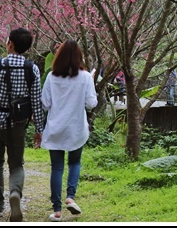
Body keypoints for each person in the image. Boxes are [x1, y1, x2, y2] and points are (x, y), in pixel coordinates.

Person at [0, 28, 45, 222]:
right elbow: (36, 102)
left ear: (10, 43)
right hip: (18, 124)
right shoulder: (32, 69)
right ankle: (15, 193)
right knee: (16, 164)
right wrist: (39, 129)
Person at [41, 40, 98, 222]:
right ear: (79, 57)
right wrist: (91, 82)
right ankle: (70, 197)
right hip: (76, 128)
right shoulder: (86, 77)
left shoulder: (51, 77)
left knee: (57, 168)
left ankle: (57, 210)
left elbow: (45, 104)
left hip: (56, 127)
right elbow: (91, 104)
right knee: (74, 163)